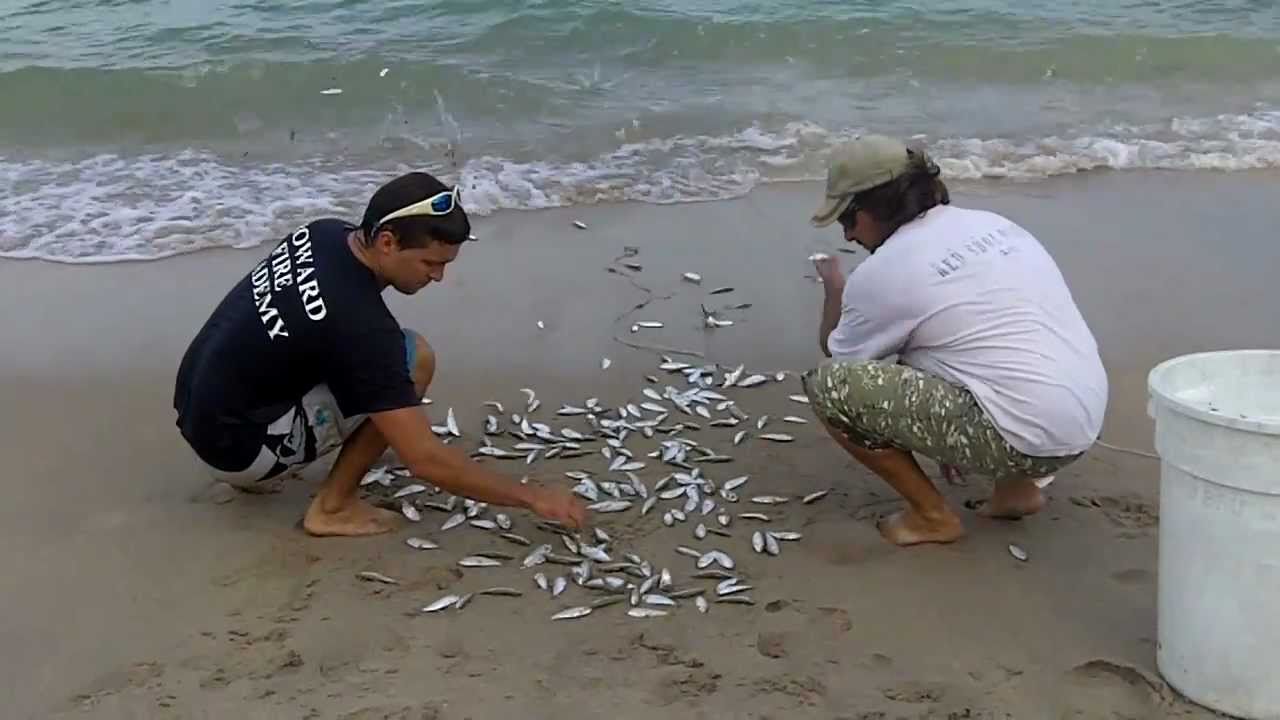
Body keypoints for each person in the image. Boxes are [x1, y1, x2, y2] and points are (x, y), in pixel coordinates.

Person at [174, 171, 587, 536]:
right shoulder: (362, 328)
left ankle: (326, 445)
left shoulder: (325, 232)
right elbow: (424, 461)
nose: (439, 276)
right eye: (430, 262)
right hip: (239, 451)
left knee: (366, 364)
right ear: (387, 242)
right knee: (414, 358)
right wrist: (533, 497)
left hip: (201, 408)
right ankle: (332, 508)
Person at [803, 135, 1108, 546]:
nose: (849, 236)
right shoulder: (993, 224)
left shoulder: (884, 273)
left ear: (874, 207)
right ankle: (1017, 492)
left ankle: (932, 517)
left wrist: (835, 287)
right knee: (975, 356)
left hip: (1024, 436)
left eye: (848, 219)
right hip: (1082, 418)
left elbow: (839, 357)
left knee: (829, 385)